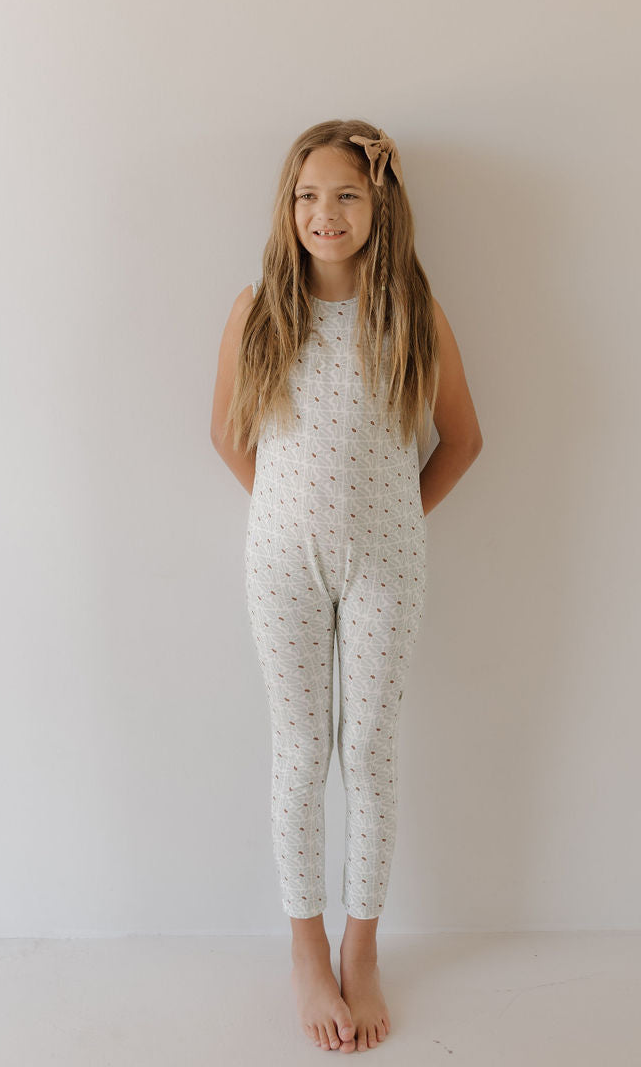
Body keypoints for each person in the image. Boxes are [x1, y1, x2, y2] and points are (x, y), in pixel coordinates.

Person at [210, 119, 483, 1053]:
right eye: (307, 197)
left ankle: (362, 947)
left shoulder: (410, 310)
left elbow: (463, 440)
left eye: (347, 196)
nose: (324, 214)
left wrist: (392, 521)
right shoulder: (258, 311)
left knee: (364, 752)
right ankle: (305, 949)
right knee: (300, 751)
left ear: (381, 208)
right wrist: (289, 514)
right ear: (288, 209)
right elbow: (227, 436)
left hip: (387, 565)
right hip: (282, 563)